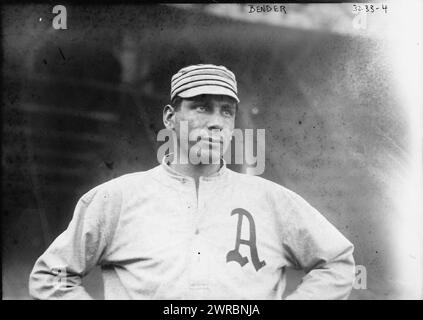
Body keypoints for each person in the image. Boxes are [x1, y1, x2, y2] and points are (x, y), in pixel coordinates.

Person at [29, 64, 355, 300]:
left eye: (226, 112)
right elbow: (51, 276)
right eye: (201, 107)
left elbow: (337, 263)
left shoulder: (271, 200)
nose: (215, 123)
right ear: (170, 117)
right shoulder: (115, 198)